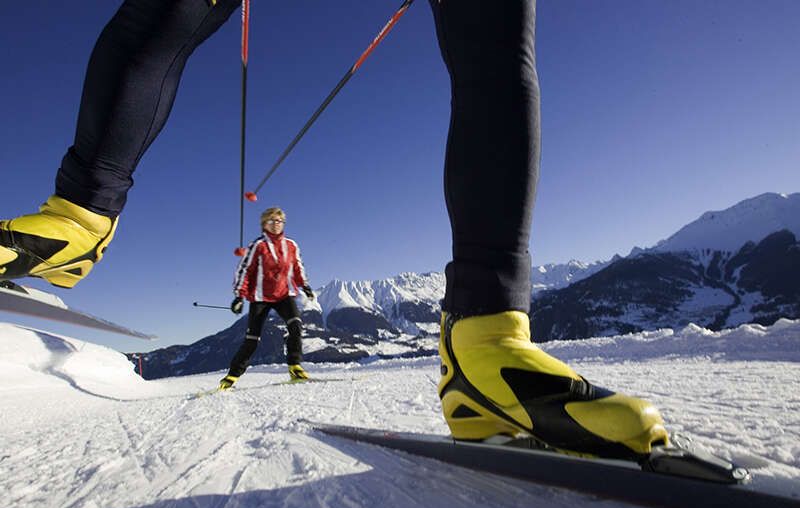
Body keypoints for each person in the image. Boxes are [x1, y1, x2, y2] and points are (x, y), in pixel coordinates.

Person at [0, 0, 668, 458]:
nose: (278, 223)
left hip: (283, 290)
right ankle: (79, 218)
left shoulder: (285, 246)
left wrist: (306, 286)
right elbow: (253, 273)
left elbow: (293, 268)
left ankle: (486, 341)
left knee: (493, 28)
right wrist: (241, 289)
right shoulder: (267, 248)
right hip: (263, 291)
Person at [219, 207, 315, 389]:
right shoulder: (258, 246)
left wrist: (305, 285)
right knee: (252, 339)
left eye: (279, 221)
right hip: (260, 297)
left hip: (284, 294)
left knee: (295, 325)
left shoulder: (291, 245)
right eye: (272, 221)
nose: (276, 224)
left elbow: (297, 267)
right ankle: (231, 376)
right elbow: (244, 271)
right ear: (264, 224)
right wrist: (239, 296)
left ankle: (295, 366)